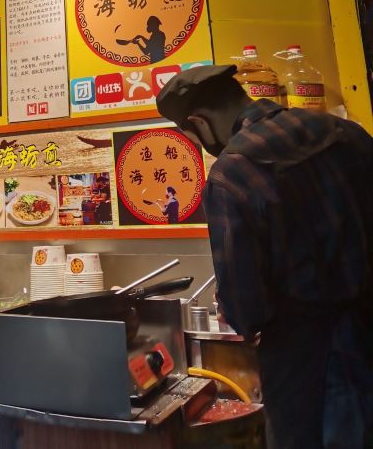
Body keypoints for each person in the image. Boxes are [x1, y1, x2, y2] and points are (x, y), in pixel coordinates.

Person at [156, 64, 373, 449]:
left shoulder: (232, 175)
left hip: (308, 370)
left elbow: (245, 310)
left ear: (200, 123)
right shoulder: (344, 132)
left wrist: (233, 307)